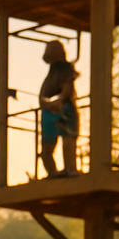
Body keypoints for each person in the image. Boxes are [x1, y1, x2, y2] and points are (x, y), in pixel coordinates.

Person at [39, 40, 79, 178]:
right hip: (49, 113)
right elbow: (43, 96)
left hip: (64, 111)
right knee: (46, 148)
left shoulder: (66, 69)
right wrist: (47, 104)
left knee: (68, 141)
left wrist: (60, 101)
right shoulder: (52, 72)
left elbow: (67, 88)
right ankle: (52, 172)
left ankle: (70, 169)